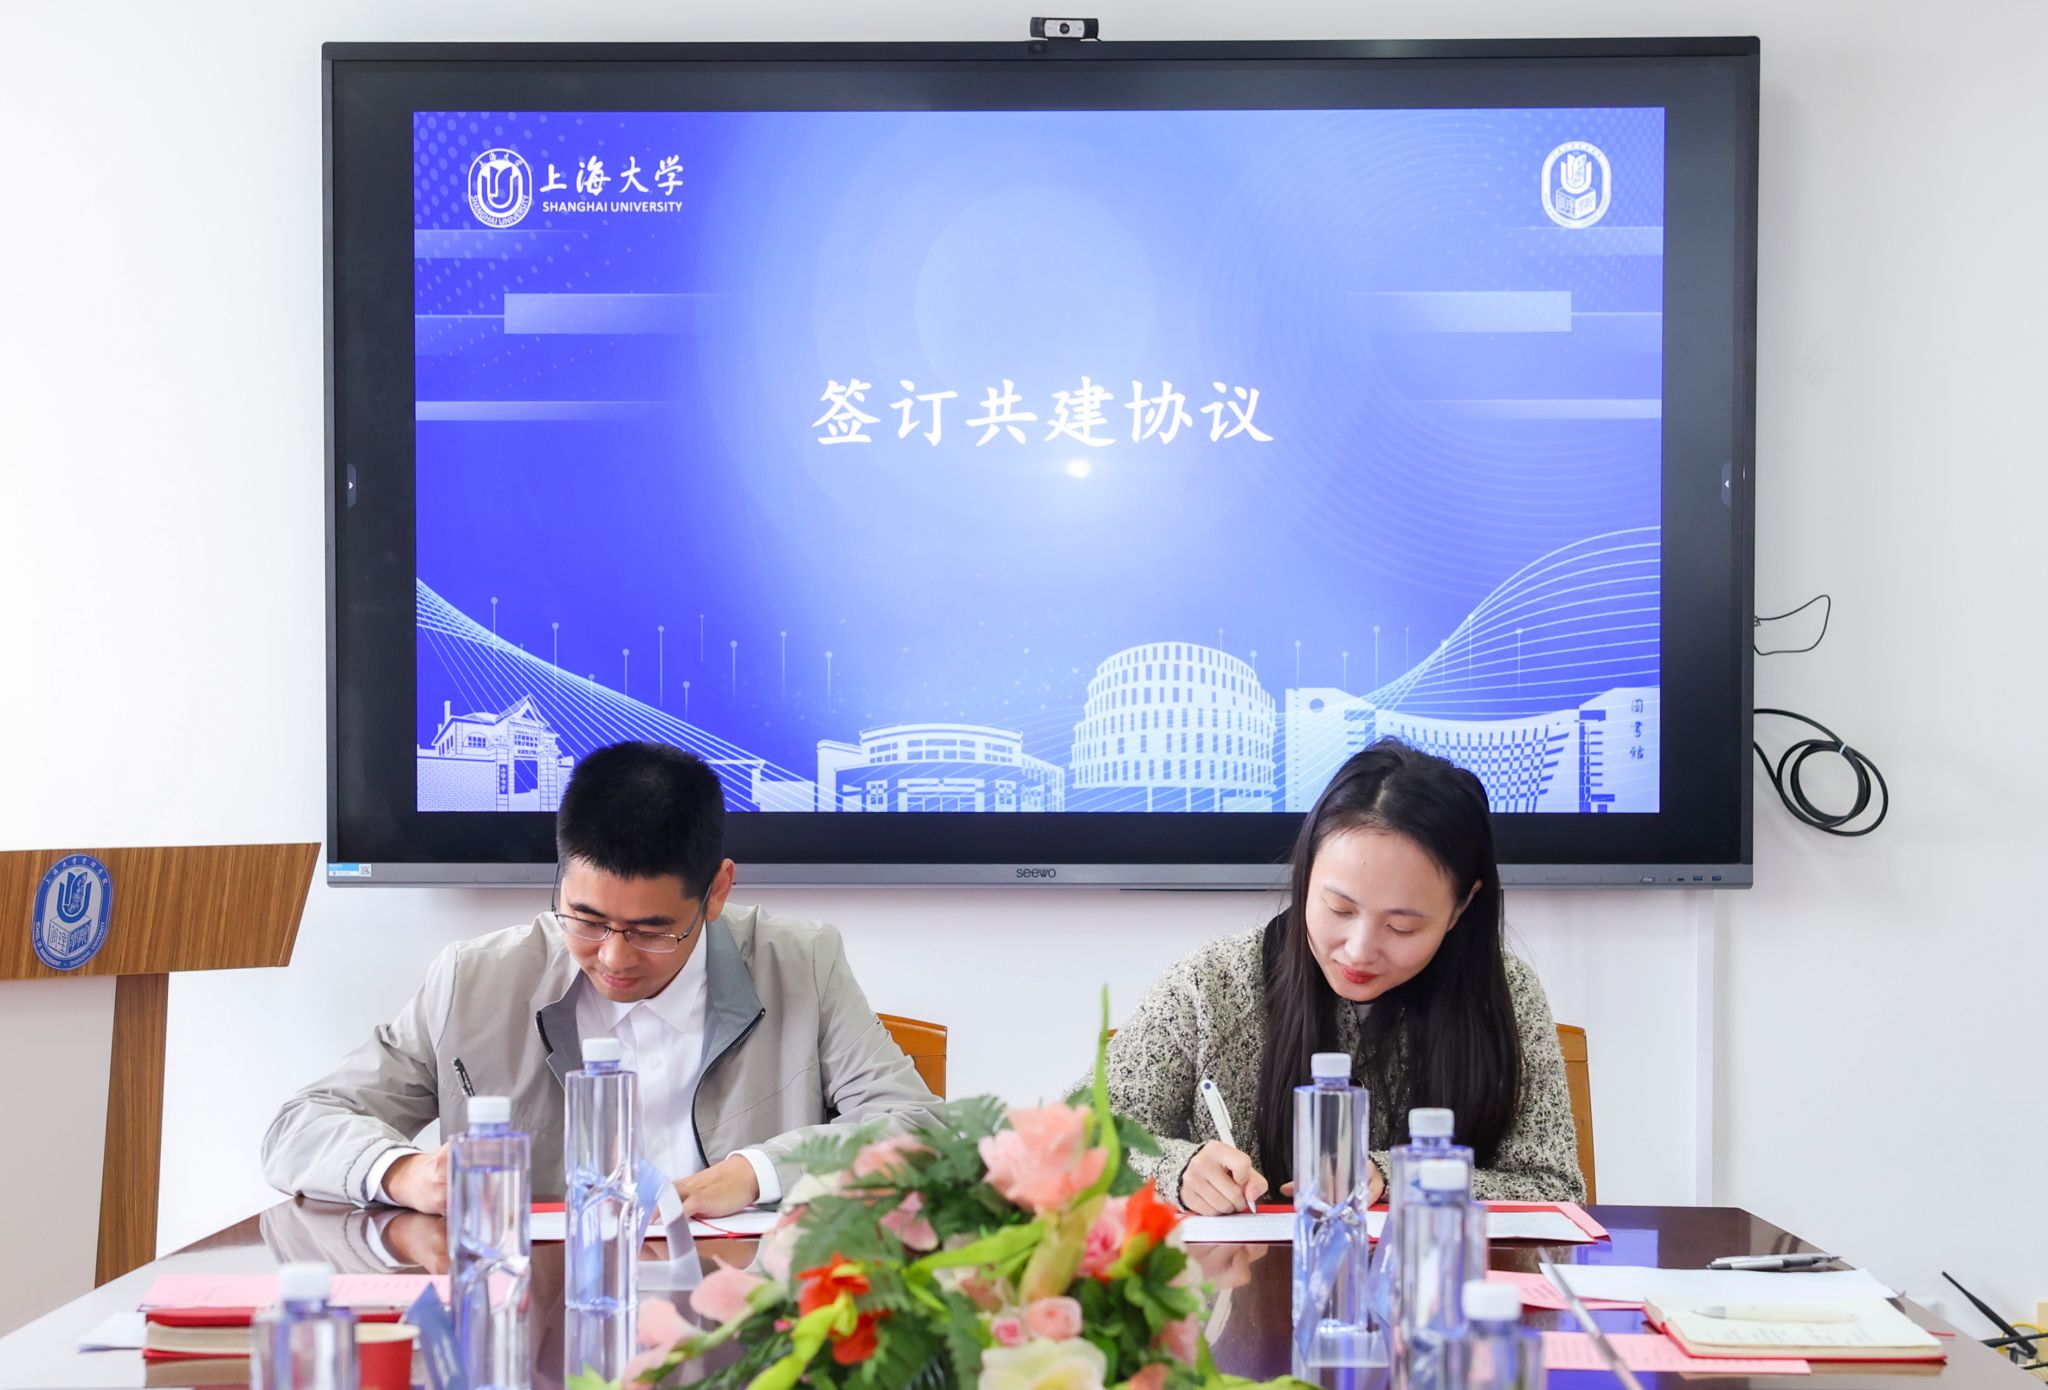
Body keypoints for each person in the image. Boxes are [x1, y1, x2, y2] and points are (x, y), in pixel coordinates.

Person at [262, 741, 941, 1219]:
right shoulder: (475, 980)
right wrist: (404, 1172)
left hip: (743, 1312)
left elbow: (921, 1126)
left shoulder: (802, 963)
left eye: (651, 931)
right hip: (542, 1309)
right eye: (585, 920)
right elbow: (300, 1125)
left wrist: (754, 1174)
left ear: (716, 892)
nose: (613, 958)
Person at [1100, 740, 1585, 1213]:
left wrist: (1398, 1177)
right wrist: (1177, 1171)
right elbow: (1081, 1140)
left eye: (1402, 927)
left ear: (1462, 906)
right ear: (1307, 872)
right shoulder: (1210, 984)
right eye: (1339, 908)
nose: (1359, 951)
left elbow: (1554, 1187)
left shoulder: (1503, 996)